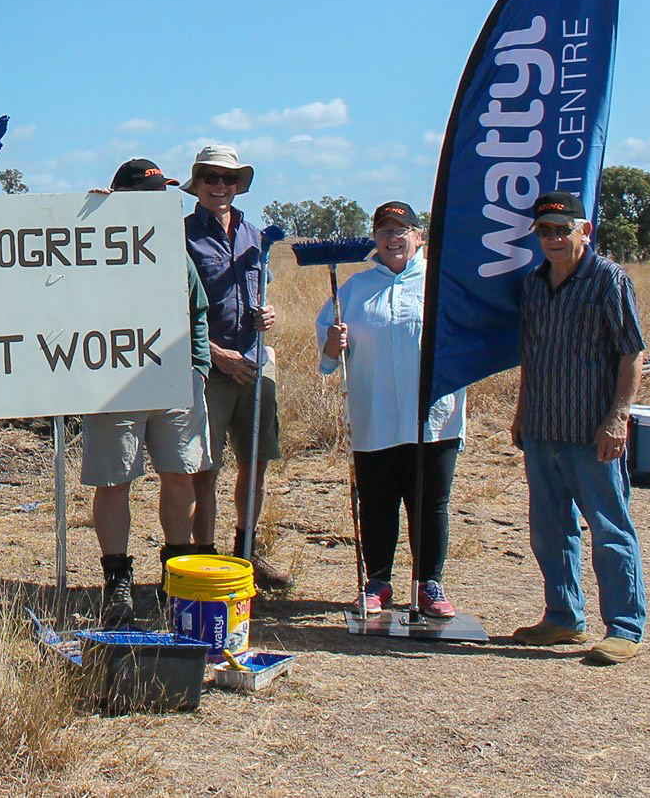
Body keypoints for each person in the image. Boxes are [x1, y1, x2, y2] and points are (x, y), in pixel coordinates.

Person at [510, 189, 649, 664]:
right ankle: (563, 616)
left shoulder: (609, 280)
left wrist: (618, 417)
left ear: (583, 231)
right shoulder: (534, 282)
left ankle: (625, 628)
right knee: (550, 529)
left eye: (560, 230)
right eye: (543, 231)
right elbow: (532, 353)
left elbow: (633, 352)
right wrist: (522, 412)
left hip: (593, 433)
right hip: (543, 427)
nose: (551, 239)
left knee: (609, 529)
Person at [317, 200, 466, 616]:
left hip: (434, 417)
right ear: (374, 240)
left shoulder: (441, 285)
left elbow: (468, 340)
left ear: (418, 237)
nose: (393, 239)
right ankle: (378, 581)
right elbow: (329, 358)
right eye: (384, 231)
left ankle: (429, 584)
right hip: (373, 413)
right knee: (378, 502)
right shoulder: (354, 289)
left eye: (402, 231)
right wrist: (332, 345)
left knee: (430, 502)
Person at [83, 158, 212, 625]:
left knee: (179, 474)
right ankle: (117, 580)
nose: (159, 200)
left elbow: (198, 309)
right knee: (114, 479)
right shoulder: (89, 242)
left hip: (175, 380)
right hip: (112, 383)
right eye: (148, 192)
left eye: (163, 193)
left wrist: (198, 367)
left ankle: (175, 573)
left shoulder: (173, 249)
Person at [183, 144, 292, 590]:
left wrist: (270, 314)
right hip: (210, 366)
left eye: (228, 179)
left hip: (255, 362)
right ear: (197, 182)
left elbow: (259, 291)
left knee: (256, 462)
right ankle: (203, 558)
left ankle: (245, 554)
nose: (220, 186)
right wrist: (216, 355)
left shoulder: (256, 234)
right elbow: (173, 308)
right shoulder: (180, 234)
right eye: (211, 178)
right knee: (204, 468)